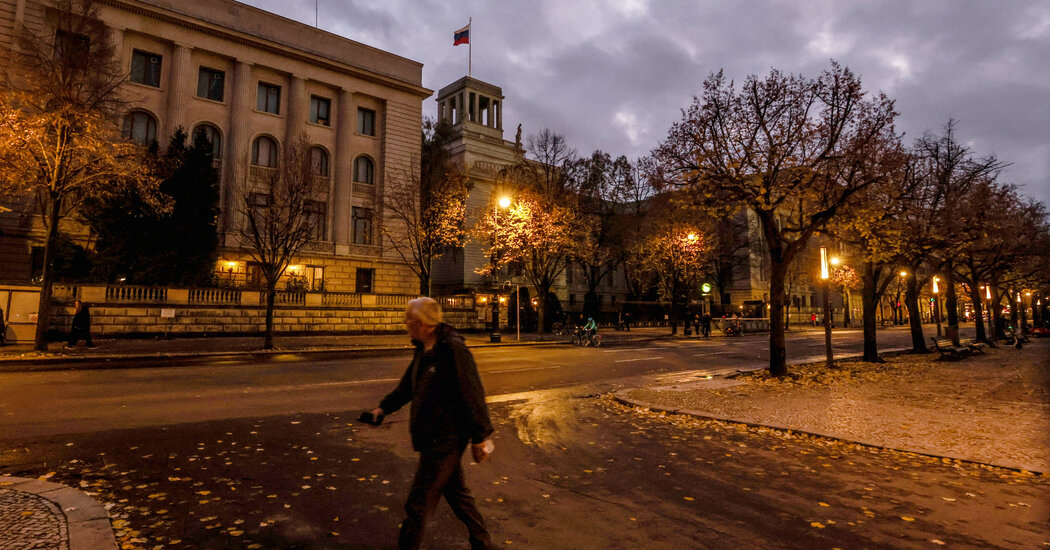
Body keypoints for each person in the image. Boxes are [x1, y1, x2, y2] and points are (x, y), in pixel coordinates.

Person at [368, 297, 496, 550]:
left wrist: (480, 437)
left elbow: (472, 392)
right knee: (458, 495)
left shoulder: (452, 349)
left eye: (410, 319)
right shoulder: (424, 348)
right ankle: (483, 542)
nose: (406, 323)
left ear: (423, 323)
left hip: (446, 438)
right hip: (432, 437)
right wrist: (383, 408)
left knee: (418, 503)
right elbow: (408, 386)